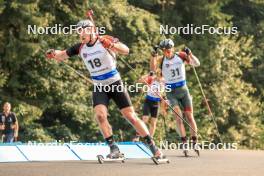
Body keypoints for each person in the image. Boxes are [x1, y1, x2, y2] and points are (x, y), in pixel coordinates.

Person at [45, 19, 163, 159]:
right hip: (100, 86)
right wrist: (53, 53)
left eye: (83, 31)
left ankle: (152, 146)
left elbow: (126, 50)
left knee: (130, 116)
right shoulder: (80, 47)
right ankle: (114, 148)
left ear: (91, 30)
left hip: (115, 83)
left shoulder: (104, 40)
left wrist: (112, 45)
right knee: (100, 116)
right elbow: (62, 54)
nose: (80, 34)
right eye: (78, 31)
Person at [150, 38, 200, 153]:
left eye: (169, 49)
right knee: (178, 118)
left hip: (183, 91)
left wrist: (190, 54)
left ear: (173, 48)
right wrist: (153, 55)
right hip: (171, 93)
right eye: (164, 50)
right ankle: (184, 143)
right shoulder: (161, 60)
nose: (167, 51)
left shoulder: (181, 55)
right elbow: (152, 70)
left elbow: (196, 64)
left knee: (190, 116)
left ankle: (195, 141)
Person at [132, 71, 165, 141]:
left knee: (153, 122)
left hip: (156, 103)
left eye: (161, 76)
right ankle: (137, 136)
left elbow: (163, 92)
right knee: (145, 119)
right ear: (157, 74)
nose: (160, 77)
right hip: (148, 101)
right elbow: (140, 80)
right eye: (159, 75)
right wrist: (148, 75)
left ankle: (150, 140)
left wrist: (160, 94)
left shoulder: (164, 82)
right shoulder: (152, 79)